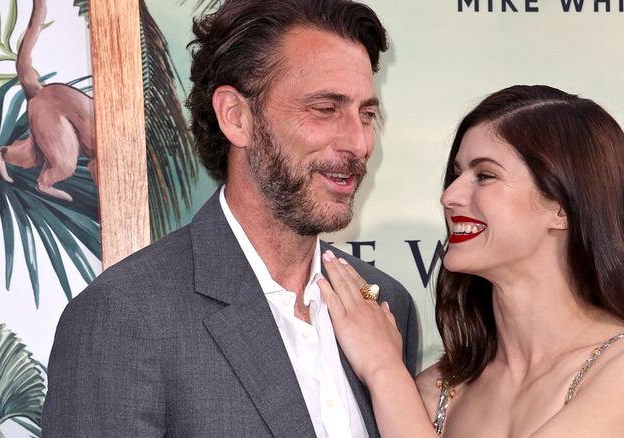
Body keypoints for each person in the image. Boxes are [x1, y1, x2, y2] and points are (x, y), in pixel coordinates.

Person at [42, 0, 418, 436]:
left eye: (367, 114)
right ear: (236, 117)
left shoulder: (387, 304)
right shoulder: (124, 319)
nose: (359, 142)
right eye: (325, 109)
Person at [318, 85, 624, 438]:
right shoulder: (434, 391)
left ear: (562, 208)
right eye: (455, 174)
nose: (449, 196)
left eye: (484, 175)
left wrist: (385, 371)